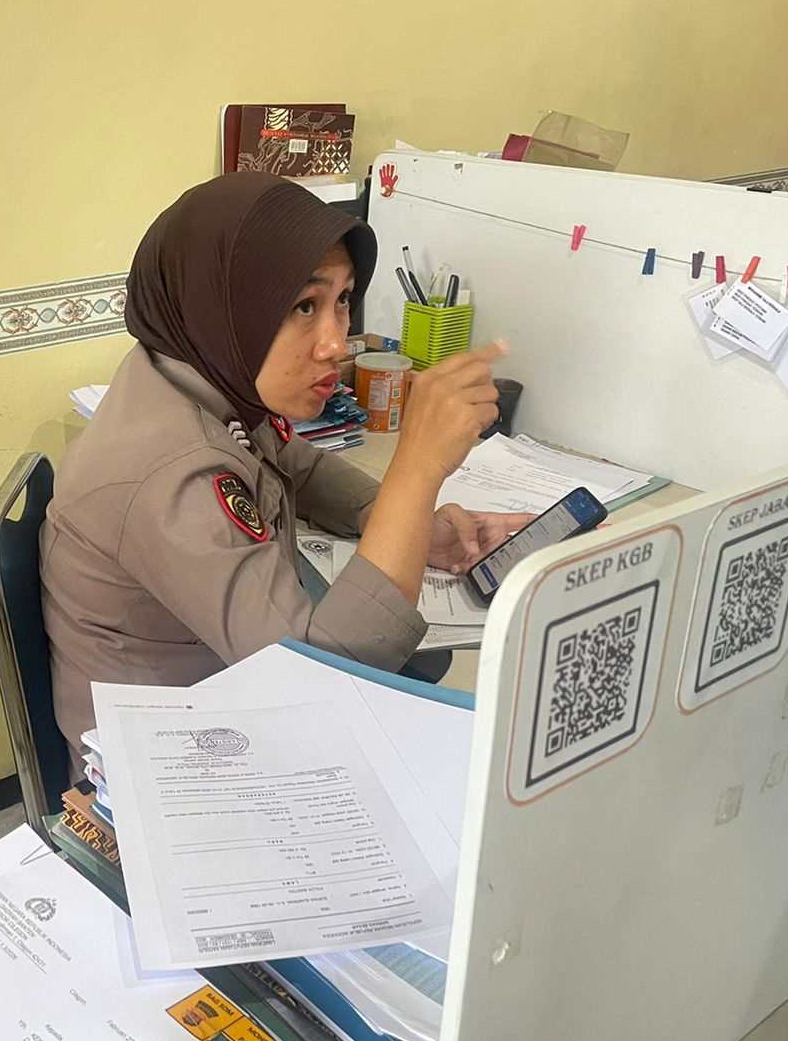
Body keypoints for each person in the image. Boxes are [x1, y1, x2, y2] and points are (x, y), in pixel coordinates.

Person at [40, 173, 528, 757]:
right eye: (303, 305)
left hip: (223, 694)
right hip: (165, 758)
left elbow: (300, 466)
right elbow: (323, 678)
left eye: (342, 300)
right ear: (219, 305)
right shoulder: (170, 472)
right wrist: (416, 472)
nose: (336, 343)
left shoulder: (198, 374)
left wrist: (405, 524)